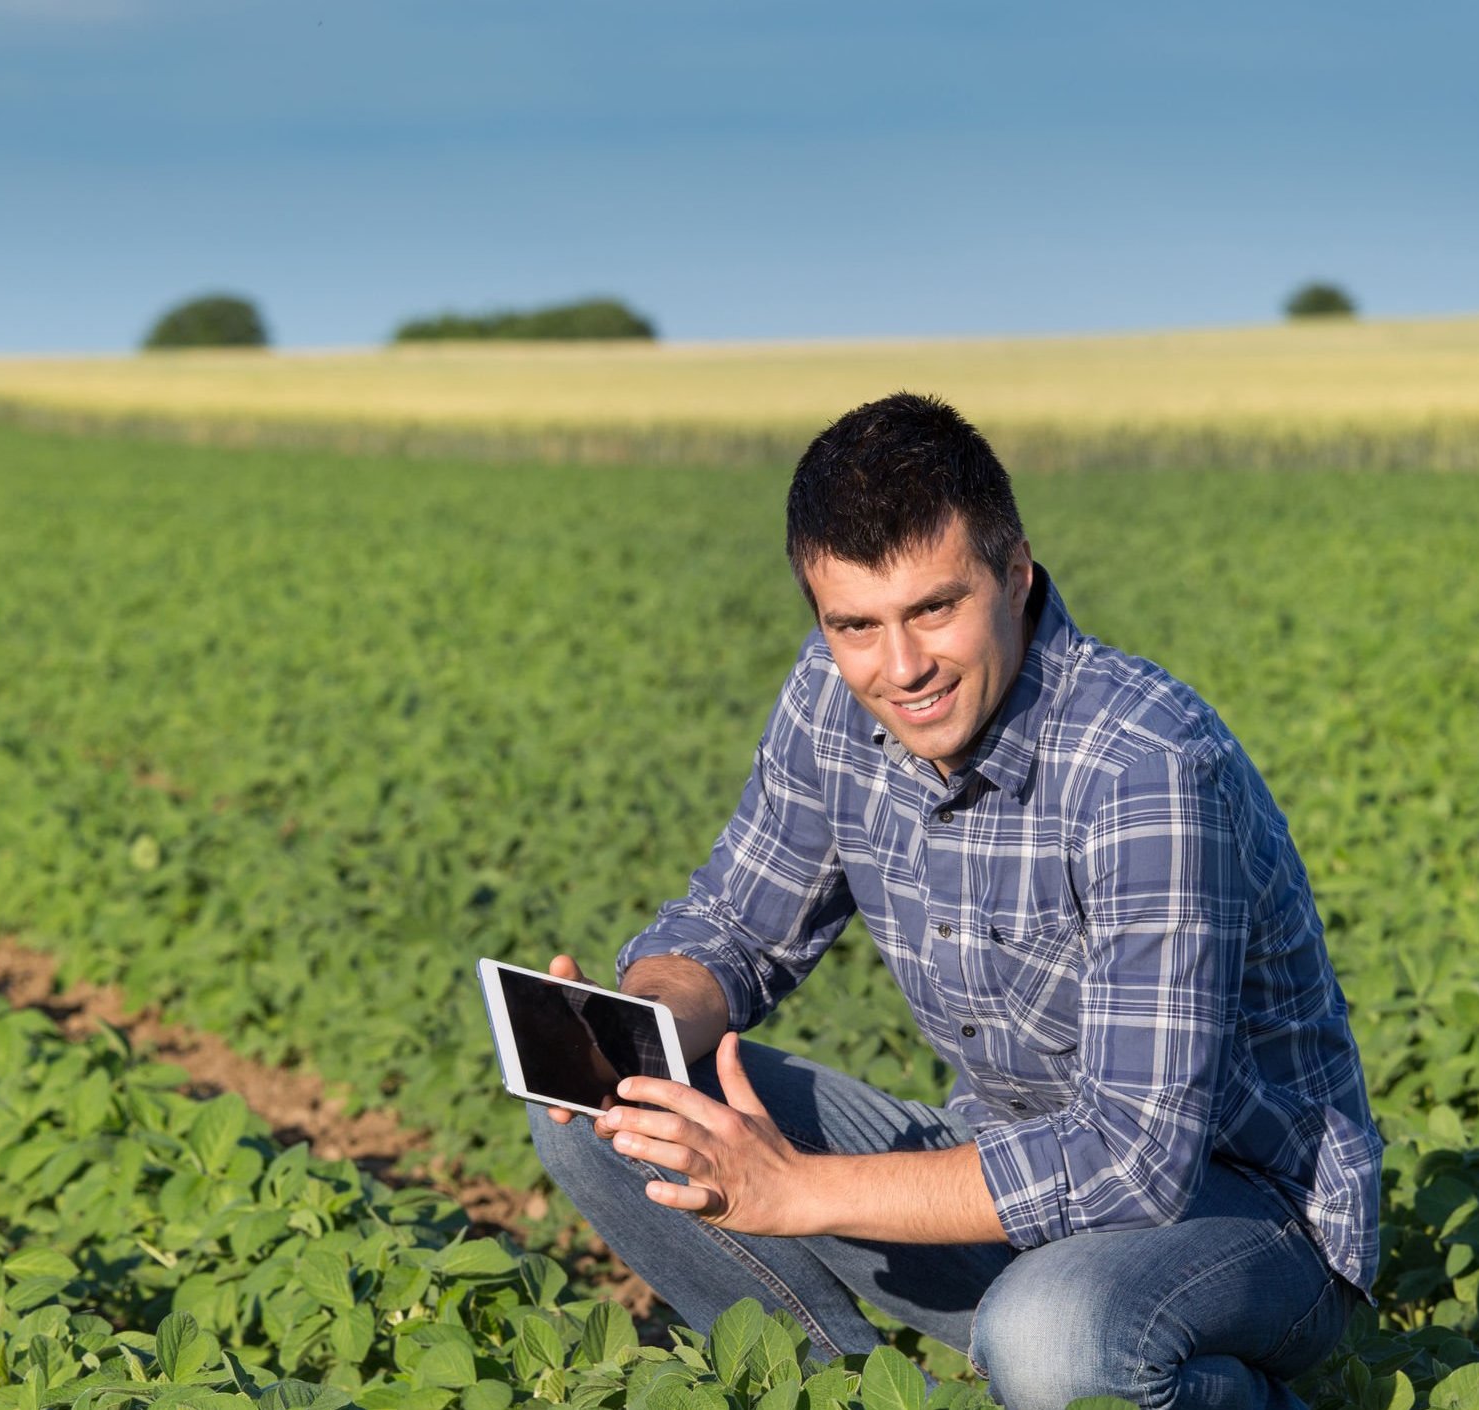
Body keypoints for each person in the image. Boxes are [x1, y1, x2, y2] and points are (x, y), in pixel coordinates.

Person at [529, 393, 1380, 1410]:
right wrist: (643, 1025)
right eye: (855, 624)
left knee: (1053, 1335)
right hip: (1003, 1182)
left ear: (1013, 575)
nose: (902, 668)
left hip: (1239, 1217)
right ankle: (831, 1392)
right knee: (605, 1107)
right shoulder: (835, 693)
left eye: (934, 609)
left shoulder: (1144, 765)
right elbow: (739, 926)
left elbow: (1134, 1163)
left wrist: (798, 1189)